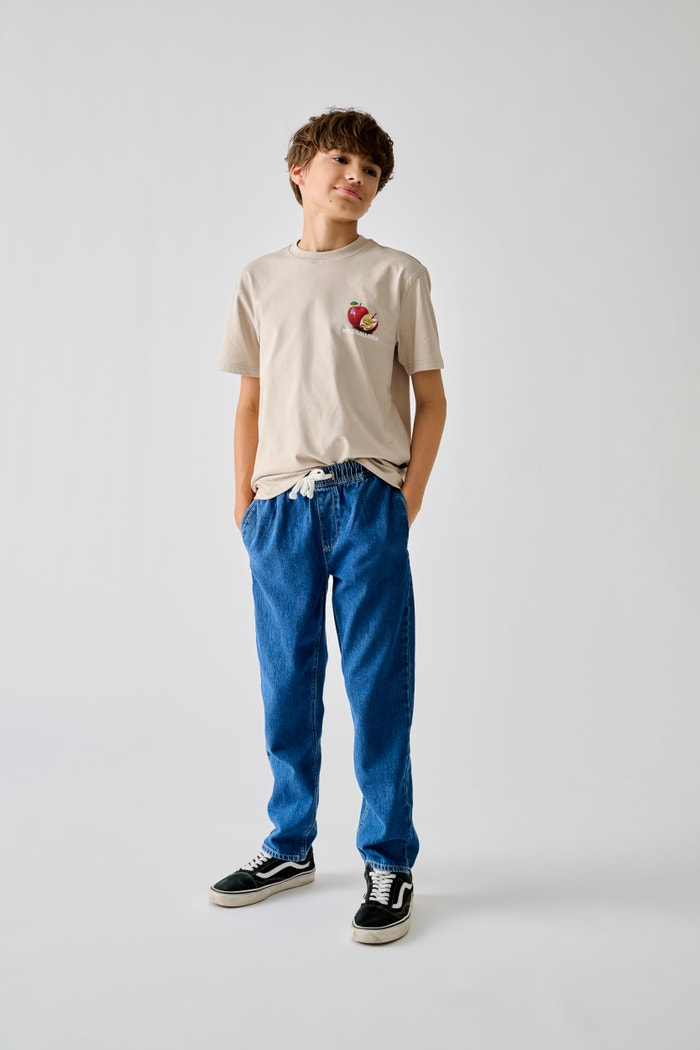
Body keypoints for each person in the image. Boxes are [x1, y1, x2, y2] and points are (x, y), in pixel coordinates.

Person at [208, 107, 446, 944]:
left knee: (378, 686)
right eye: (341, 160)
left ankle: (389, 859)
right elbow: (251, 401)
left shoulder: (397, 276)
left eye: (372, 171)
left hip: (367, 497)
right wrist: (245, 503)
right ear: (299, 172)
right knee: (287, 682)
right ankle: (289, 845)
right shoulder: (259, 279)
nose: (356, 177)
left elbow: (431, 399)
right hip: (279, 507)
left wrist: (406, 500)